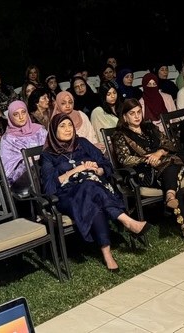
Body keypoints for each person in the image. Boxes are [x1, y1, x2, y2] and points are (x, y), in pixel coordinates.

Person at [40, 113, 149, 272]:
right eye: (62, 126)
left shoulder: (82, 143)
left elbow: (106, 165)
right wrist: (77, 169)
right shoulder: (48, 155)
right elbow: (50, 187)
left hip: (94, 185)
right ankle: (126, 221)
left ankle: (107, 253)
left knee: (92, 193)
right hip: (68, 195)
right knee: (91, 189)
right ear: (53, 130)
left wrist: (97, 170)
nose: (68, 129)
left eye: (69, 125)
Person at [111, 98, 184, 243]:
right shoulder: (120, 135)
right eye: (132, 113)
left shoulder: (149, 127)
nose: (137, 116)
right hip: (144, 172)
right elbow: (124, 159)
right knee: (172, 166)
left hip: (164, 165)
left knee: (170, 167)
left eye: (139, 112)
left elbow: (169, 144)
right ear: (124, 117)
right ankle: (182, 217)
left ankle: (175, 204)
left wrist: (158, 153)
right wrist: (148, 159)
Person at [0, 100, 48, 187]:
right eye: (16, 114)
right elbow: (8, 168)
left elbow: (51, 150)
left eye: (23, 112)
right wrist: (27, 161)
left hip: (46, 168)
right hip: (24, 177)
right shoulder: (7, 139)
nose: (21, 117)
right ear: (10, 117)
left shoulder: (40, 131)